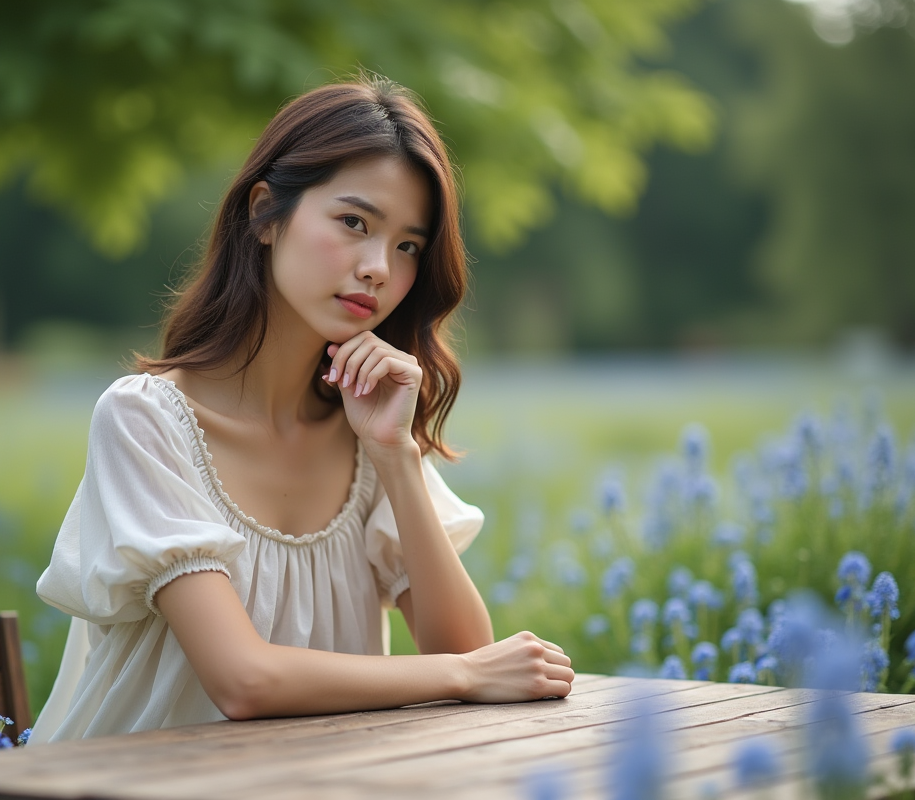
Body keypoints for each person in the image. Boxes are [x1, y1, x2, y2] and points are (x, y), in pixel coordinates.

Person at [29, 76, 574, 743]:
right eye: (354, 223)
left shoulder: (368, 427)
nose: (378, 267)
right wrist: (460, 676)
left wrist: (396, 458)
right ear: (265, 214)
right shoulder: (145, 422)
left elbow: (462, 643)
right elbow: (244, 680)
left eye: (408, 246)